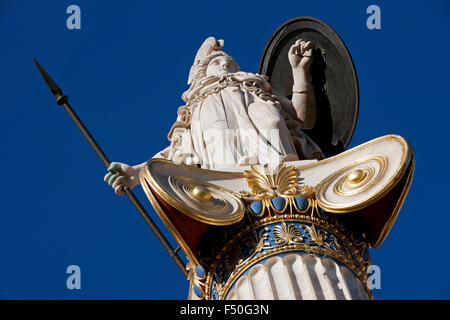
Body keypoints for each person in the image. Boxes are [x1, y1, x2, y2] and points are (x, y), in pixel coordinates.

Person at [105, 37, 323, 195]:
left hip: (290, 177)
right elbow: (178, 152)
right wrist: (136, 173)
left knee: (274, 121)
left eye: (230, 63)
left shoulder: (256, 86)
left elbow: (302, 120)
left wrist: (299, 72)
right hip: (231, 187)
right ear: (203, 71)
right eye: (217, 62)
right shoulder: (198, 103)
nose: (226, 65)